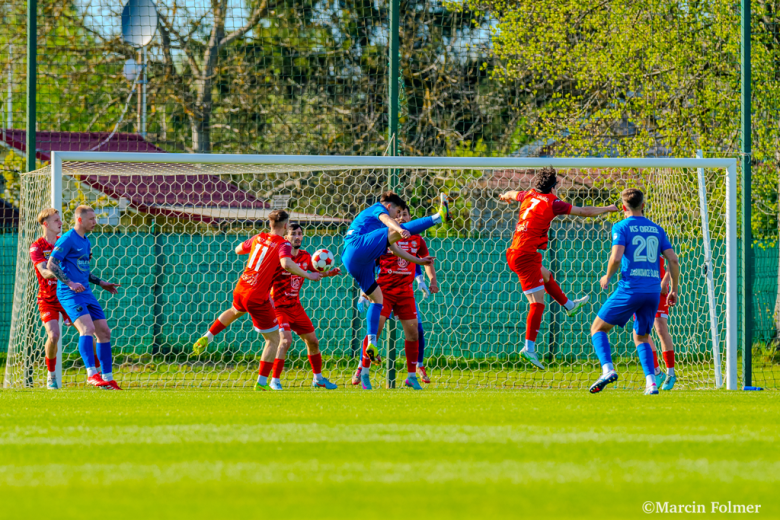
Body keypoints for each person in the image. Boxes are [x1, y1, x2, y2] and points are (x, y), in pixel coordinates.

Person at [498, 167, 619, 370]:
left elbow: (512, 193)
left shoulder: (528, 194)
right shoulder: (553, 203)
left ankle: (569, 306)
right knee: (537, 304)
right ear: (554, 187)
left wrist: (504, 196)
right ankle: (529, 348)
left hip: (517, 251)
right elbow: (584, 212)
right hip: (524, 255)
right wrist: (608, 208)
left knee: (546, 276)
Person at [192, 210, 324, 391]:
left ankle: (208, 336)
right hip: (257, 295)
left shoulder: (259, 237)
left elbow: (238, 249)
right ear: (285, 226)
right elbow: (286, 264)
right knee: (274, 340)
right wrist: (308, 275)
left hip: (242, 287)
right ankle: (262, 383)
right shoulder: (283, 244)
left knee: (234, 311)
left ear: (270, 224)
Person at [341, 191, 446, 389]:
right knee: (380, 310)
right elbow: (386, 219)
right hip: (375, 271)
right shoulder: (380, 212)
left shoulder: (404, 237)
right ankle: (438, 217)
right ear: (391, 208)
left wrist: (419, 264)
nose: (401, 216)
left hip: (394, 284)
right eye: (398, 212)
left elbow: (397, 249)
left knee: (398, 319)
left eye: (404, 214)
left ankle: (369, 370)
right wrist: (399, 227)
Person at [589, 188, 680, 395]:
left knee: (598, 328)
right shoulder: (657, 229)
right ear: (643, 206)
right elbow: (673, 260)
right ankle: (651, 383)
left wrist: (607, 276)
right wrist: (674, 289)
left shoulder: (621, 226)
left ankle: (607, 370)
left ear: (623, 208)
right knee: (641, 336)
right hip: (653, 292)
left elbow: (616, 257)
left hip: (630, 289)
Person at [47, 205, 122, 389]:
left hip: (86, 292)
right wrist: (70, 283)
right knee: (87, 328)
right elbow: (51, 264)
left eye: (95, 219)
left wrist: (102, 283)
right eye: (91, 219)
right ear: (80, 220)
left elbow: (83, 270)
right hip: (70, 293)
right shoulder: (67, 239)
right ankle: (91, 374)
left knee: (104, 331)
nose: (95, 222)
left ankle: (107, 378)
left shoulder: (86, 241)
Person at [267, 224, 341, 390]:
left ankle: (318, 379)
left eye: (300, 234)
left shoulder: (306, 256)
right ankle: (275, 381)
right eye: (293, 234)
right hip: (278, 307)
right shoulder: (280, 258)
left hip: (295, 306)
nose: (297, 237)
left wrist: (328, 273)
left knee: (313, 342)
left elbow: (313, 273)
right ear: (286, 237)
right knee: (285, 341)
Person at [634, 258, 677, 390]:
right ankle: (657, 372)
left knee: (660, 328)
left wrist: (665, 281)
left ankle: (671, 373)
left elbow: (673, 260)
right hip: (640, 288)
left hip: (658, 288)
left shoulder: (658, 237)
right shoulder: (633, 239)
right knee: (641, 331)